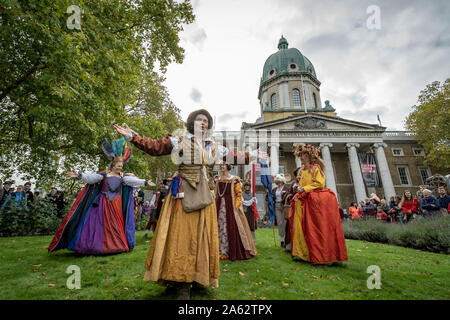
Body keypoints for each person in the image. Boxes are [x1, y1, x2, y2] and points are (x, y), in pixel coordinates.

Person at [113, 109, 265, 299]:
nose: (203, 123)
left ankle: (198, 277)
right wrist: (132, 136)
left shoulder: (214, 146)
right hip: (184, 195)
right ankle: (181, 282)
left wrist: (253, 155)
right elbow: (154, 146)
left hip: (206, 197)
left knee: (202, 237)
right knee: (182, 238)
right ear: (192, 123)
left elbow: (234, 155)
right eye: (199, 120)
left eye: (206, 121)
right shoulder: (180, 139)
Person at [48, 137, 152, 255]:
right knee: (98, 225)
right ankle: (94, 246)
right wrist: (79, 175)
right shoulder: (104, 175)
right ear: (112, 165)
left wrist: (145, 182)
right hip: (102, 204)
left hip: (116, 205)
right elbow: (91, 178)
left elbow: (133, 181)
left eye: (121, 165)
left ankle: (116, 245)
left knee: (114, 225)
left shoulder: (123, 177)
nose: (120, 167)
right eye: (118, 165)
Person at [288, 144, 348, 264]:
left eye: (303, 155)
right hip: (301, 200)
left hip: (312, 201)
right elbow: (300, 184)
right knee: (299, 226)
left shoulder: (315, 168)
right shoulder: (301, 170)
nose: (301, 157)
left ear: (310, 156)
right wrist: (298, 188)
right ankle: (302, 253)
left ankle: (318, 254)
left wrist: (304, 189)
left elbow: (319, 183)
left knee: (313, 228)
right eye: (300, 155)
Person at [215, 163, 257, 261]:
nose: (222, 167)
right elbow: (216, 192)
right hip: (219, 206)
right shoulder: (217, 179)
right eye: (220, 165)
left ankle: (230, 251)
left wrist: (236, 205)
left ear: (228, 167)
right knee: (220, 226)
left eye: (224, 165)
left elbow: (238, 194)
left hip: (231, 207)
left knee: (231, 226)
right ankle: (219, 250)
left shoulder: (234, 179)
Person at [271, 174, 290, 248]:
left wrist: (285, 194)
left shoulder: (286, 188)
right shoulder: (274, 190)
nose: (279, 183)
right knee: (279, 223)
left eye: (280, 182)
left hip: (285, 206)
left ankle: (286, 239)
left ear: (283, 182)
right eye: (277, 182)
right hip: (277, 206)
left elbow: (289, 196)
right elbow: (269, 197)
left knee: (285, 223)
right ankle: (282, 240)